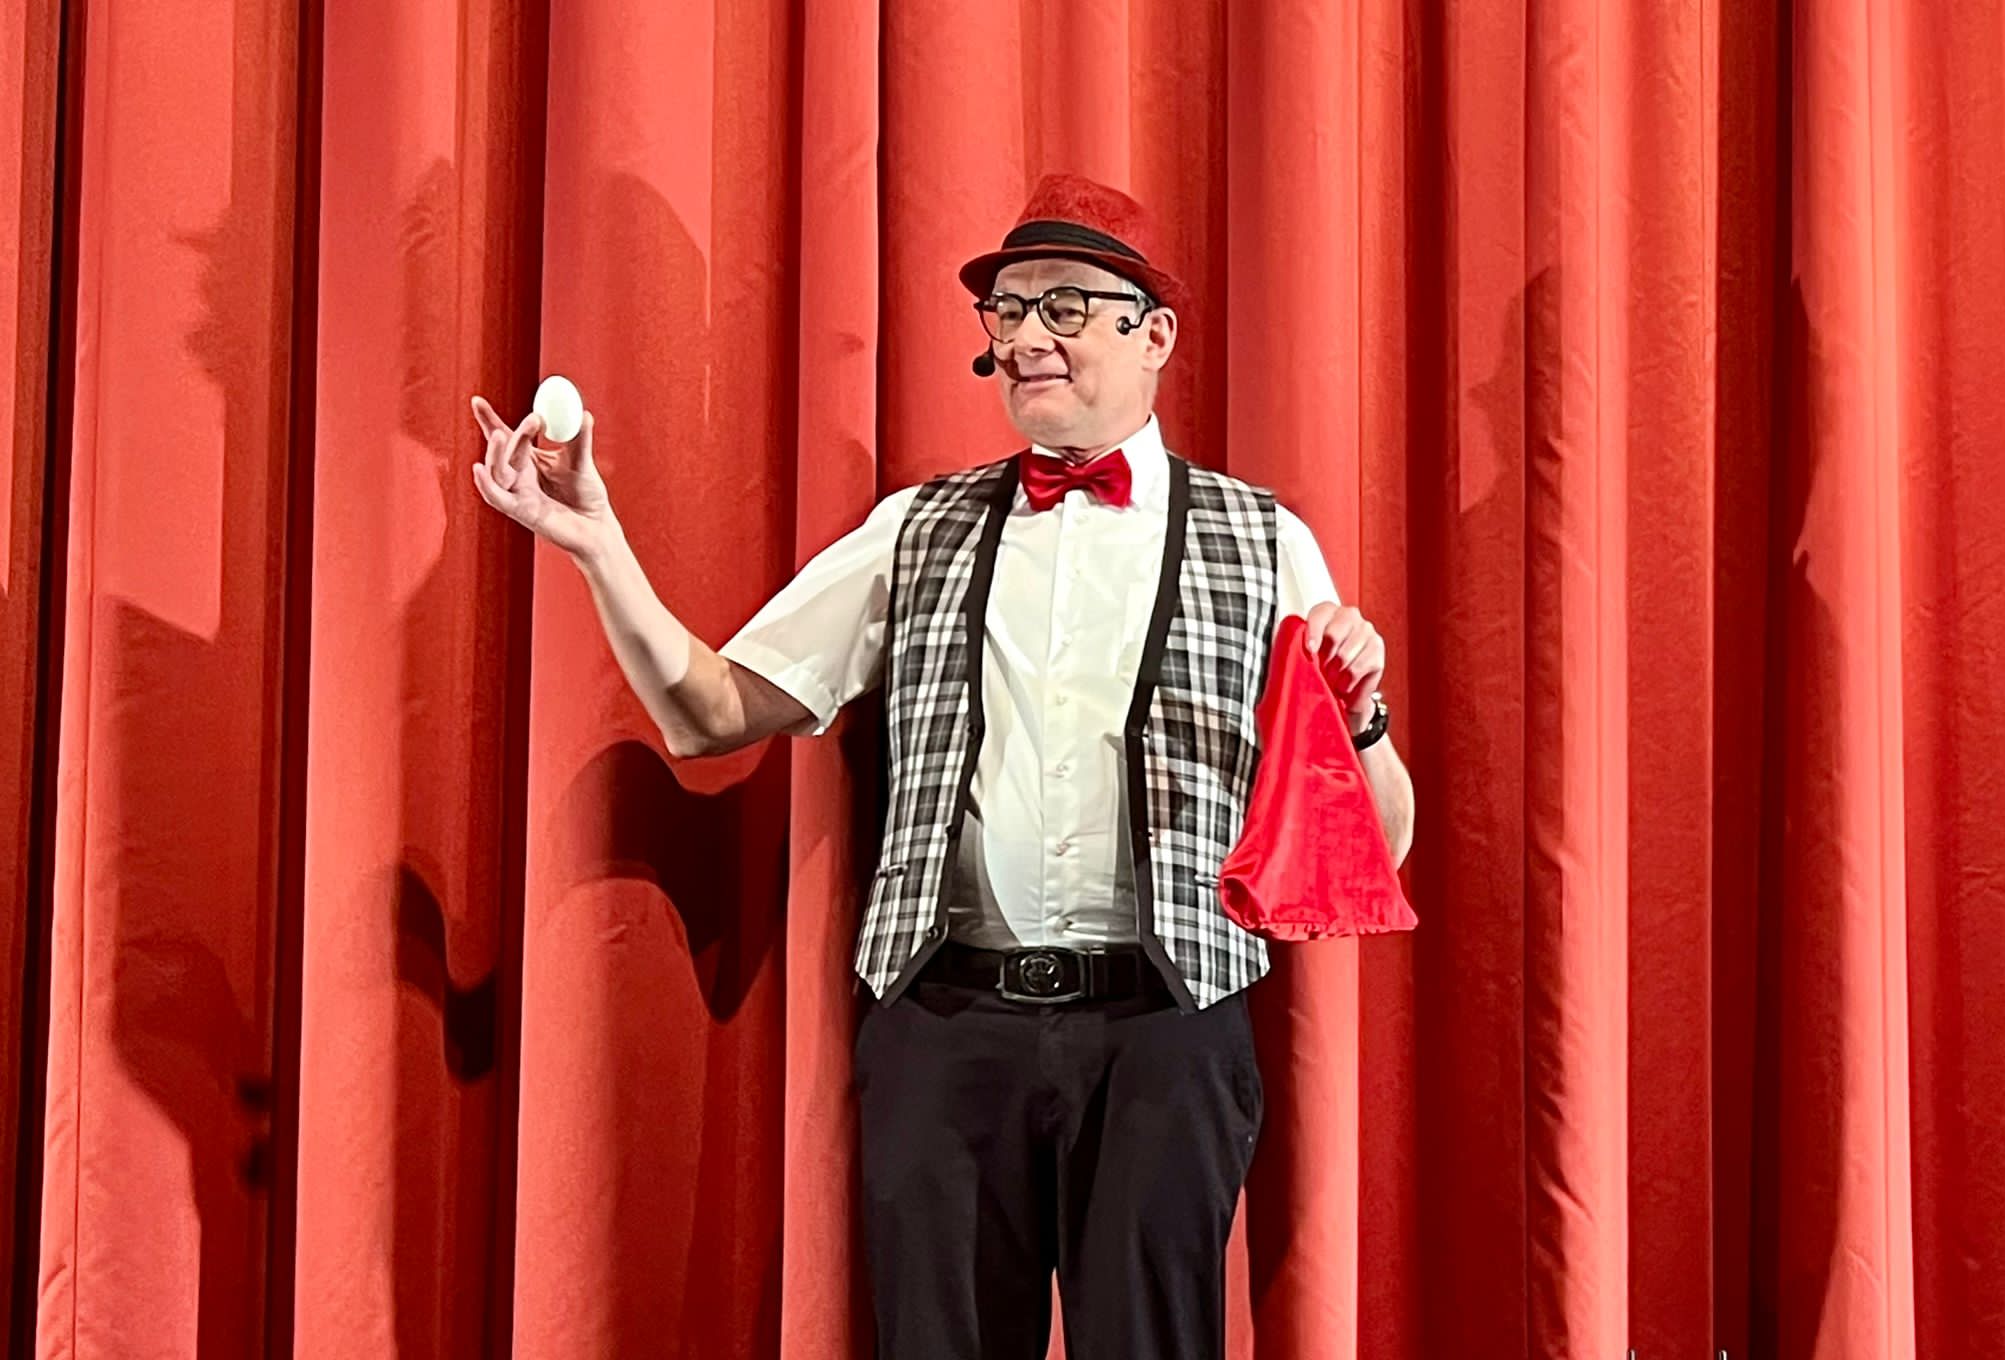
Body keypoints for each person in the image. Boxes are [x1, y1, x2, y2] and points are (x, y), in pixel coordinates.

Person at [468, 172, 1414, 1359]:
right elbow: (708, 712)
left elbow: (1377, 841)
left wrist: (1361, 720)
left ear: (1154, 335)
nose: (1023, 337)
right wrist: (595, 540)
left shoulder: (1263, 540)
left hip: (1166, 1032)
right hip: (947, 1026)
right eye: (1006, 310)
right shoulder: (916, 529)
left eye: (1062, 306)